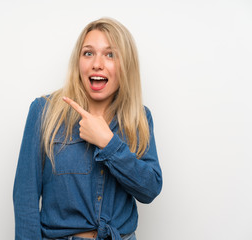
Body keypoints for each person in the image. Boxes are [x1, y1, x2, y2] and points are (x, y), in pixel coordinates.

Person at [13, 17, 162, 240]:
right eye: (88, 53)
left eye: (110, 54)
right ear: (78, 61)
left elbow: (149, 189)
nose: (97, 64)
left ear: (125, 64)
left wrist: (108, 144)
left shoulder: (138, 117)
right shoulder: (44, 112)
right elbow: (25, 197)